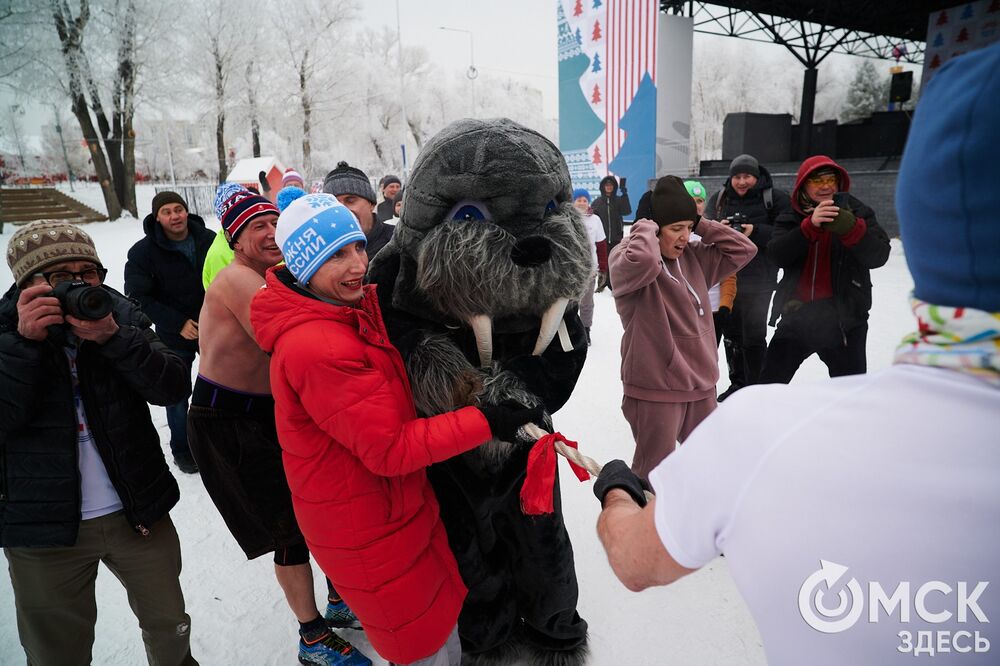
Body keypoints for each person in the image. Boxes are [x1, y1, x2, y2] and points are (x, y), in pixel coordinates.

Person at [593, 41, 1000, 665]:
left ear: (923, 211)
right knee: (672, 445)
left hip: (739, 367)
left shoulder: (760, 433)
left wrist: (616, 495)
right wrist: (657, 225)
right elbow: (747, 255)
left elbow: (636, 560)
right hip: (670, 376)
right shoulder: (649, 265)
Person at [250, 193, 546, 666]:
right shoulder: (316, 345)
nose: (357, 264)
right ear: (304, 265)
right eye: (336, 255)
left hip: (386, 510)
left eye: (357, 247)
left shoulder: (341, 314)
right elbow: (389, 450)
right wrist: (486, 420)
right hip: (368, 526)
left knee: (436, 628)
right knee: (423, 646)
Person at [187, 185, 370, 666]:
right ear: (235, 239)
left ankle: (336, 600)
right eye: (257, 228)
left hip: (270, 412)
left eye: (275, 224)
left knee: (318, 511)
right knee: (289, 530)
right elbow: (295, 334)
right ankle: (312, 636)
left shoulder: (278, 274)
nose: (271, 234)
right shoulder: (237, 280)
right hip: (229, 420)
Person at [1, 221, 197, 665]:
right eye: (59, 276)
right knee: (56, 651)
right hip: (44, 532)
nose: (78, 285)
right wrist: (24, 345)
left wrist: (114, 339)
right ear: (26, 284)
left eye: (88, 273)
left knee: (170, 626)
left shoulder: (119, 316)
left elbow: (171, 388)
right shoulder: (5, 331)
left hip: (137, 513)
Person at [609, 176, 756, 480]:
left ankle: (698, 525)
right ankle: (650, 527)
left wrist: (699, 224)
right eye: (676, 229)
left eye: (688, 228)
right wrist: (645, 225)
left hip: (701, 386)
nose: (684, 237)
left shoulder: (694, 257)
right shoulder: (627, 260)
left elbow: (744, 249)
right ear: (654, 227)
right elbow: (646, 260)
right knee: (655, 476)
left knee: (709, 465)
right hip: (656, 389)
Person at [758, 155, 890, 383]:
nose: (826, 186)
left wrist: (852, 229)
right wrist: (807, 228)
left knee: (849, 394)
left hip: (844, 320)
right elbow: (776, 255)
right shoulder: (790, 215)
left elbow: (878, 256)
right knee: (768, 386)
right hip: (797, 315)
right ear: (803, 185)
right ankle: (763, 420)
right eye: (817, 181)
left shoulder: (858, 212)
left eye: (831, 179)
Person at [125, 191, 215, 473]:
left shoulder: (208, 239)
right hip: (174, 334)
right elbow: (138, 297)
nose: (175, 216)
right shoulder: (142, 253)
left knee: (221, 387)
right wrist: (177, 323)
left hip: (214, 327)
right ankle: (182, 448)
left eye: (179, 209)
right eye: (167, 211)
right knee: (177, 394)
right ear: (157, 217)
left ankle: (215, 440)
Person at [705, 154, 792, 400]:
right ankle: (738, 384)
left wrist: (755, 231)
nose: (742, 182)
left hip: (760, 280)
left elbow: (786, 234)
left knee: (753, 336)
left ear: (757, 176)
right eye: (737, 177)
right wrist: (720, 229)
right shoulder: (720, 199)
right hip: (727, 279)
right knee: (732, 337)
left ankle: (755, 389)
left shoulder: (774, 199)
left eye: (747, 176)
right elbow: (706, 231)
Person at [685, 179, 737, 346]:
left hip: (713, 311)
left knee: (708, 364)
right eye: (690, 200)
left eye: (700, 201)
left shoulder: (714, 233)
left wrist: (725, 307)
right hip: (685, 312)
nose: (696, 205)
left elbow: (729, 275)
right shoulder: (675, 234)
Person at [323, 161, 395, 259]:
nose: (342, 209)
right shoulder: (322, 251)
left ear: (371, 204)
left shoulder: (396, 241)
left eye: (350, 201)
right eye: (334, 203)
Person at [572, 188, 608, 344]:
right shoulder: (567, 219)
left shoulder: (595, 220)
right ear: (573, 202)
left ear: (588, 203)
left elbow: (601, 246)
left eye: (584, 200)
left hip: (589, 269)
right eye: (578, 199)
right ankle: (572, 330)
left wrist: (603, 268)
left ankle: (586, 330)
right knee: (570, 303)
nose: (581, 203)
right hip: (570, 270)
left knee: (586, 303)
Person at [591, 175, 631, 279]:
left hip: (616, 237)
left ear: (614, 187)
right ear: (602, 187)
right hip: (602, 238)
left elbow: (627, 211)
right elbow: (593, 218)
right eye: (606, 185)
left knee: (616, 262)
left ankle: (614, 283)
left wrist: (624, 194)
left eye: (611, 185)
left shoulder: (619, 200)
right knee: (603, 262)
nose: (609, 187)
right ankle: (603, 282)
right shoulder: (597, 202)